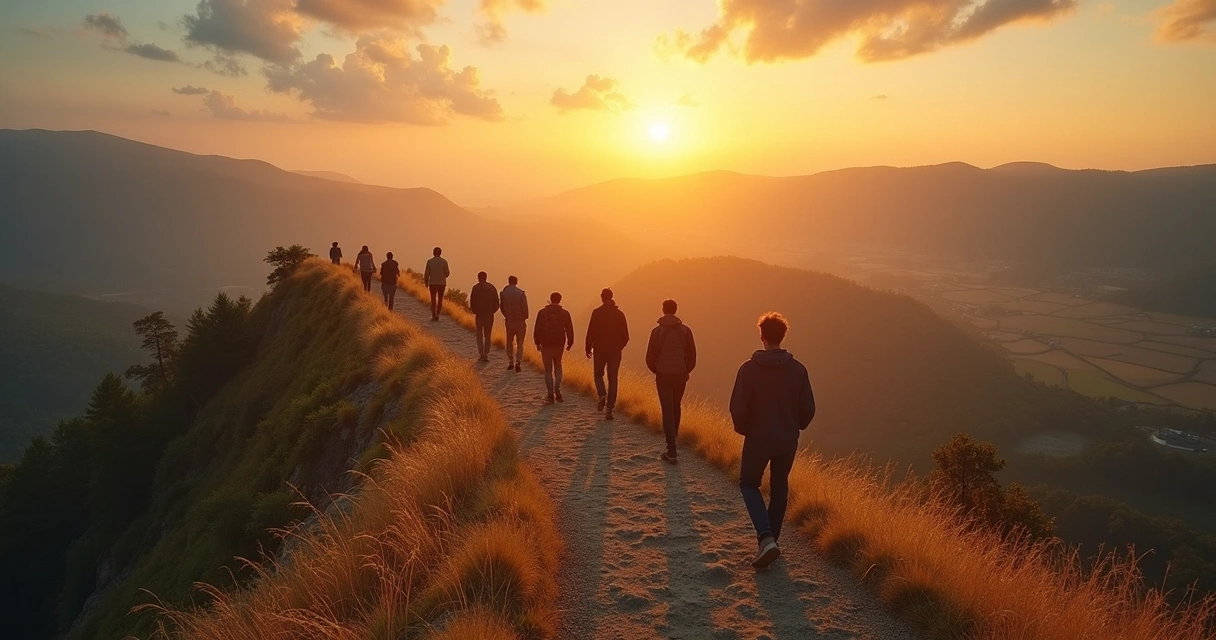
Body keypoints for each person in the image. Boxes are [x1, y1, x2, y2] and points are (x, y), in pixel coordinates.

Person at [729, 312, 816, 569]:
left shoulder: (749, 369)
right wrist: (795, 426)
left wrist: (746, 430)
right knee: (779, 487)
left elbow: (738, 408)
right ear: (782, 336)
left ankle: (766, 538)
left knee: (748, 484)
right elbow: (808, 409)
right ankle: (770, 542)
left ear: (762, 336)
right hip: (787, 440)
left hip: (758, 439)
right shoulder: (798, 370)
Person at [645, 299, 696, 464]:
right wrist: (685, 370)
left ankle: (671, 448)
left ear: (663, 310)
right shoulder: (686, 331)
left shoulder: (657, 331)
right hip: (680, 375)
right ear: (676, 310)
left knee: (667, 410)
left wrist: (658, 370)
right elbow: (692, 356)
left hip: (663, 376)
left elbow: (649, 357)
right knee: (676, 406)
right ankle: (674, 439)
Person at [585, 288, 629, 421]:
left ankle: (602, 394)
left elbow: (591, 331)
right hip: (615, 351)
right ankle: (610, 408)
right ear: (612, 297)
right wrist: (619, 347)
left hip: (599, 349)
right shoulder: (619, 314)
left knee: (598, 374)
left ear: (602, 298)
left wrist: (588, 347)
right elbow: (626, 336)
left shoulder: (596, 313)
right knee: (613, 378)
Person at [534, 292, 574, 404]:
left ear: (550, 299)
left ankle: (550, 394)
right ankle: (558, 390)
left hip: (546, 343)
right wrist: (570, 341)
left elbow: (538, 328)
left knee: (548, 370)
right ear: (560, 300)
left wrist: (537, 342)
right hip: (559, 343)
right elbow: (569, 328)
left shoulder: (542, 312)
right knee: (558, 366)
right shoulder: (565, 313)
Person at [469, 271, 500, 362]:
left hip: (479, 315)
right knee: (488, 334)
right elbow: (497, 302)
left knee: (479, 334)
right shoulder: (492, 288)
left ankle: (481, 353)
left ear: (478, 278)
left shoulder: (475, 288)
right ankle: (486, 353)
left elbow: (472, 301)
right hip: (489, 315)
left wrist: (475, 311)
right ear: (486, 277)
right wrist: (492, 311)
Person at [500, 275, 529, 372]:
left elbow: (502, 308)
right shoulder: (521, 294)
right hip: (520, 321)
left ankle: (510, 361)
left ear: (509, 281)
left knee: (509, 341)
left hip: (509, 321)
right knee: (520, 343)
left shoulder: (504, 293)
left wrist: (507, 315)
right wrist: (524, 317)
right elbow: (525, 310)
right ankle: (518, 361)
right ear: (516, 282)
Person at [424, 247, 450, 321]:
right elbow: (447, 273)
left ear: (433, 253)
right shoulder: (444, 262)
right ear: (440, 253)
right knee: (440, 298)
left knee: (433, 299)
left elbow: (427, 273)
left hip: (432, 283)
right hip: (442, 283)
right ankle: (438, 313)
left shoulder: (430, 261)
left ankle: (433, 315)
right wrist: (442, 276)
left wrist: (426, 282)